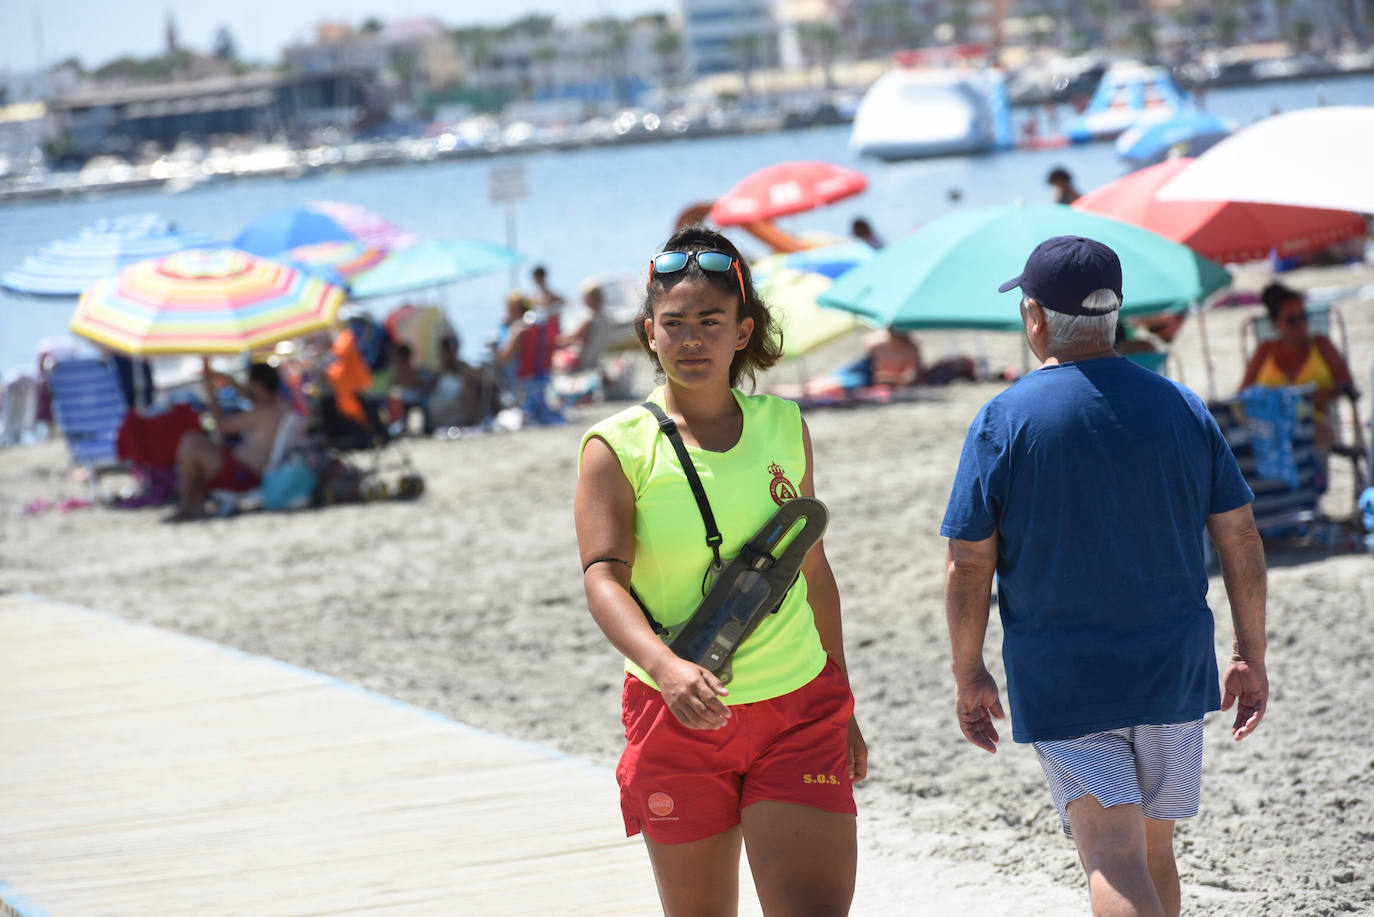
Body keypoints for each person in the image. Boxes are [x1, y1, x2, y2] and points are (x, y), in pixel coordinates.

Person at [940, 236, 1268, 917]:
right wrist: (1248, 654)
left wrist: (968, 671)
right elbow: (1239, 533)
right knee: (1151, 852)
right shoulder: (1181, 406)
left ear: (1034, 317)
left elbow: (969, 561)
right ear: (1114, 314)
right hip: (1172, 665)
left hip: (1065, 676)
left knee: (1112, 856)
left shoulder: (1004, 418)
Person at [574, 225, 867, 915]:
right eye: (673, 324)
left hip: (798, 705)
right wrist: (667, 669)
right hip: (676, 714)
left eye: (710, 321)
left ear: (743, 330)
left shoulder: (784, 425)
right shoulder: (615, 448)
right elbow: (601, 580)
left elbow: (814, 573)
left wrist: (843, 696)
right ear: (649, 333)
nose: (691, 339)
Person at [167, 361, 291, 522]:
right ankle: (193, 504)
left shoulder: (263, 410)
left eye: (249, 383)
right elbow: (249, 394)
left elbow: (222, 427)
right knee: (194, 444)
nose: (246, 387)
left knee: (191, 443)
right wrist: (228, 380)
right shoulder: (280, 405)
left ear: (258, 385)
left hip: (243, 476)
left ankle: (188, 506)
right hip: (248, 471)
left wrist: (212, 396)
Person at [1240, 281, 1355, 452]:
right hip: (1272, 427)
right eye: (1292, 320)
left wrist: (1318, 396)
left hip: (1315, 424)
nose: (1301, 324)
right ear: (1275, 323)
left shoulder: (1321, 344)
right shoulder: (1265, 350)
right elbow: (1243, 394)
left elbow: (1347, 385)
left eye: (1304, 317)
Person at [556, 281, 614, 373]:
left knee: (555, 357)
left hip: (580, 363)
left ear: (591, 298)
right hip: (593, 361)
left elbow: (571, 339)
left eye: (585, 297)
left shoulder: (589, 319)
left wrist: (556, 341)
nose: (583, 299)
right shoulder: (605, 318)